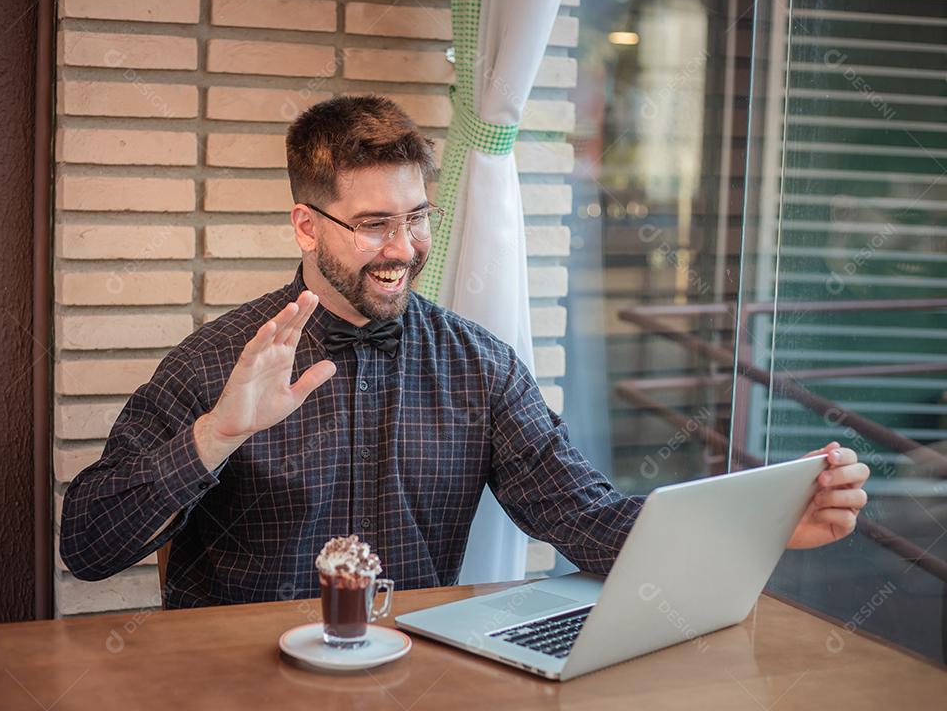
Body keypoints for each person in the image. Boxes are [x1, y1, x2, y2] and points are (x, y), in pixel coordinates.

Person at [60, 96, 869, 609]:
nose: (404, 249)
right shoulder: (215, 363)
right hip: (236, 686)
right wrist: (217, 434)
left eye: (417, 218)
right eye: (374, 223)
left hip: (418, 681)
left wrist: (756, 529)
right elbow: (88, 548)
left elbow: (583, 517)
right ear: (306, 226)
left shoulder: (479, 366)